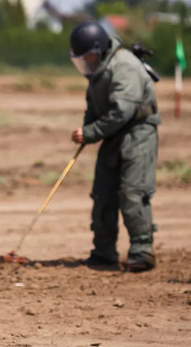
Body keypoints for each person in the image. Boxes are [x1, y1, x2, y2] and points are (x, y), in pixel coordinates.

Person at [68, 21, 160, 272]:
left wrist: (91, 132)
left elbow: (122, 111)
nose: (85, 64)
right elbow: (94, 108)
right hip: (113, 136)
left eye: (87, 58)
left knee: (132, 192)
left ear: (99, 51)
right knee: (103, 195)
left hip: (138, 133)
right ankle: (104, 251)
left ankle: (142, 250)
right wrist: (87, 130)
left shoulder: (124, 65)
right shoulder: (98, 73)